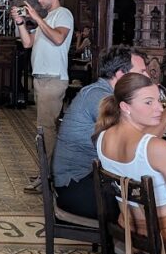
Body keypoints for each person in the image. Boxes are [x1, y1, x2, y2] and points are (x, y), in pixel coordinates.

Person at [95, 72, 166, 254]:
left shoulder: (103, 138)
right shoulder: (158, 148)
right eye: (148, 102)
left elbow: (140, 145)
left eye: (159, 101)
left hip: (128, 227)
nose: (160, 108)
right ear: (125, 107)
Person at [48, 45, 150, 211]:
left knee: (150, 197)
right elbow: (128, 142)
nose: (147, 77)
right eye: (142, 71)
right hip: (75, 187)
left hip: (87, 179)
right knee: (149, 204)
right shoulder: (99, 96)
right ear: (121, 74)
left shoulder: (108, 94)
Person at [10, 0, 74, 160]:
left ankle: (49, 175)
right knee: (43, 127)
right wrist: (21, 22)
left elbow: (58, 38)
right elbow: (27, 43)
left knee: (46, 127)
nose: (39, 0)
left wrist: (36, 18)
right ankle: (46, 172)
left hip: (53, 79)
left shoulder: (63, 14)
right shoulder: (45, 20)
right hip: (41, 78)